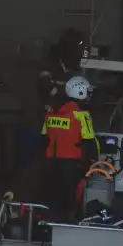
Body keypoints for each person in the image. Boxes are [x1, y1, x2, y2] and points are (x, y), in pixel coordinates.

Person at [39, 75, 99, 221]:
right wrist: (93, 162)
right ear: (80, 92)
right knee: (70, 202)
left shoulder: (51, 112)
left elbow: (43, 137)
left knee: (52, 200)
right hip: (71, 165)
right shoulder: (81, 115)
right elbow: (89, 142)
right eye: (88, 92)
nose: (90, 96)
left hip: (50, 164)